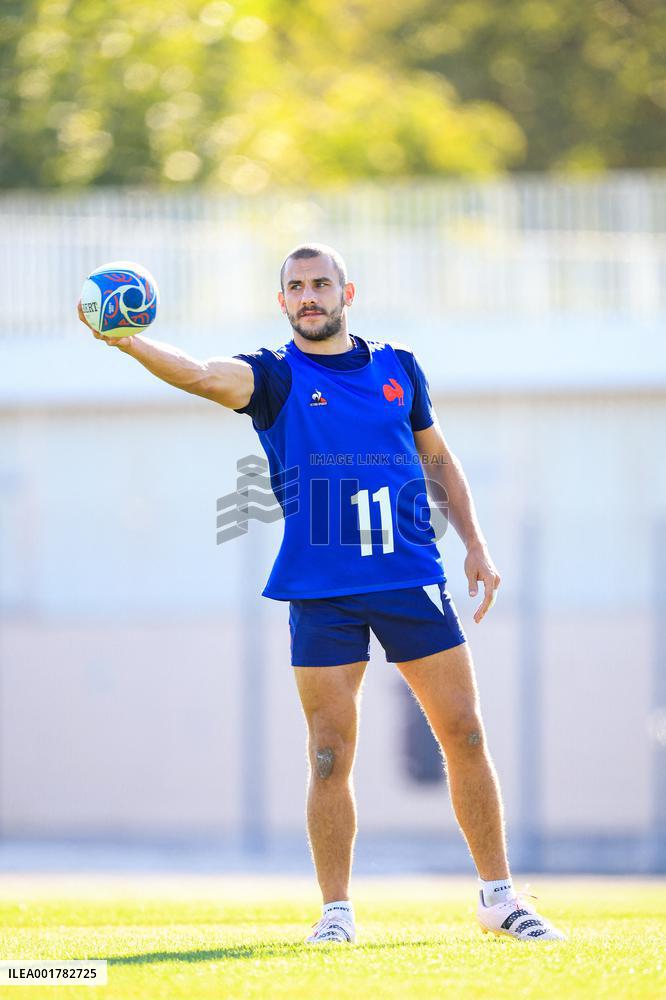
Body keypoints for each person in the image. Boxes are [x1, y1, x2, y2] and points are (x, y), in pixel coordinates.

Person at [78, 243, 565, 944]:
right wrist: (128, 342)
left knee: (465, 731)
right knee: (330, 750)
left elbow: (437, 456)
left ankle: (499, 899)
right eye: (296, 287)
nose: (309, 296)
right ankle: (336, 913)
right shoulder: (273, 376)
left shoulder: (399, 365)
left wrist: (477, 544)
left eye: (321, 284)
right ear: (283, 301)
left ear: (347, 293)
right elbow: (199, 374)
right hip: (322, 592)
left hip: (409, 578)